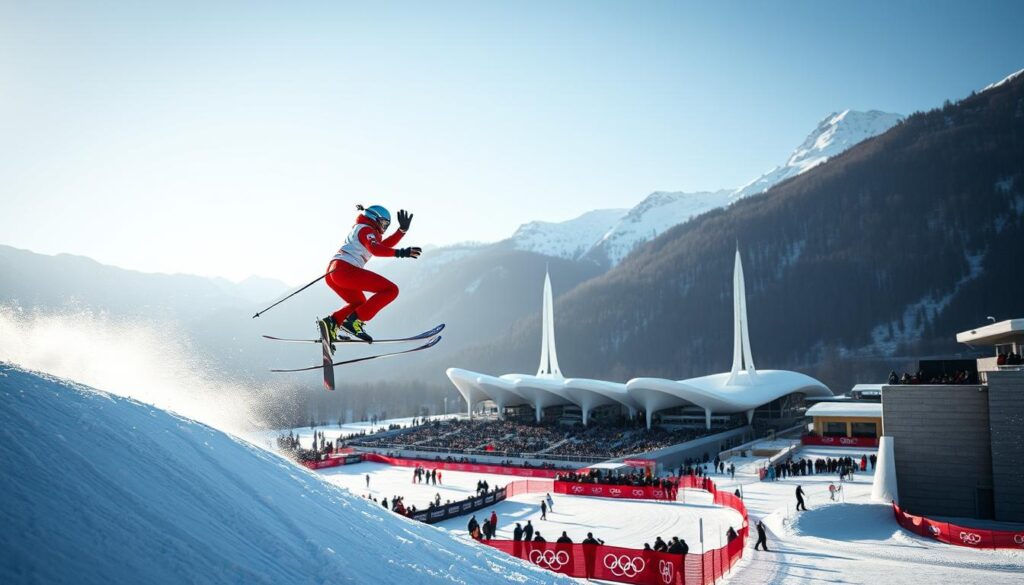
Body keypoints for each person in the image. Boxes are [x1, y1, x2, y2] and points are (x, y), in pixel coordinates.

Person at [318, 205, 421, 343]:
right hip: (345, 271)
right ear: (374, 218)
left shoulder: (363, 228)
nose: (384, 227)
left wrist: (401, 231)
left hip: (334, 271)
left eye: (387, 225)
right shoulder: (366, 229)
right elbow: (376, 249)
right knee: (391, 290)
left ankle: (333, 321)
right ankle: (354, 322)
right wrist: (402, 252)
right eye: (384, 223)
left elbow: (382, 246)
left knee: (359, 302)